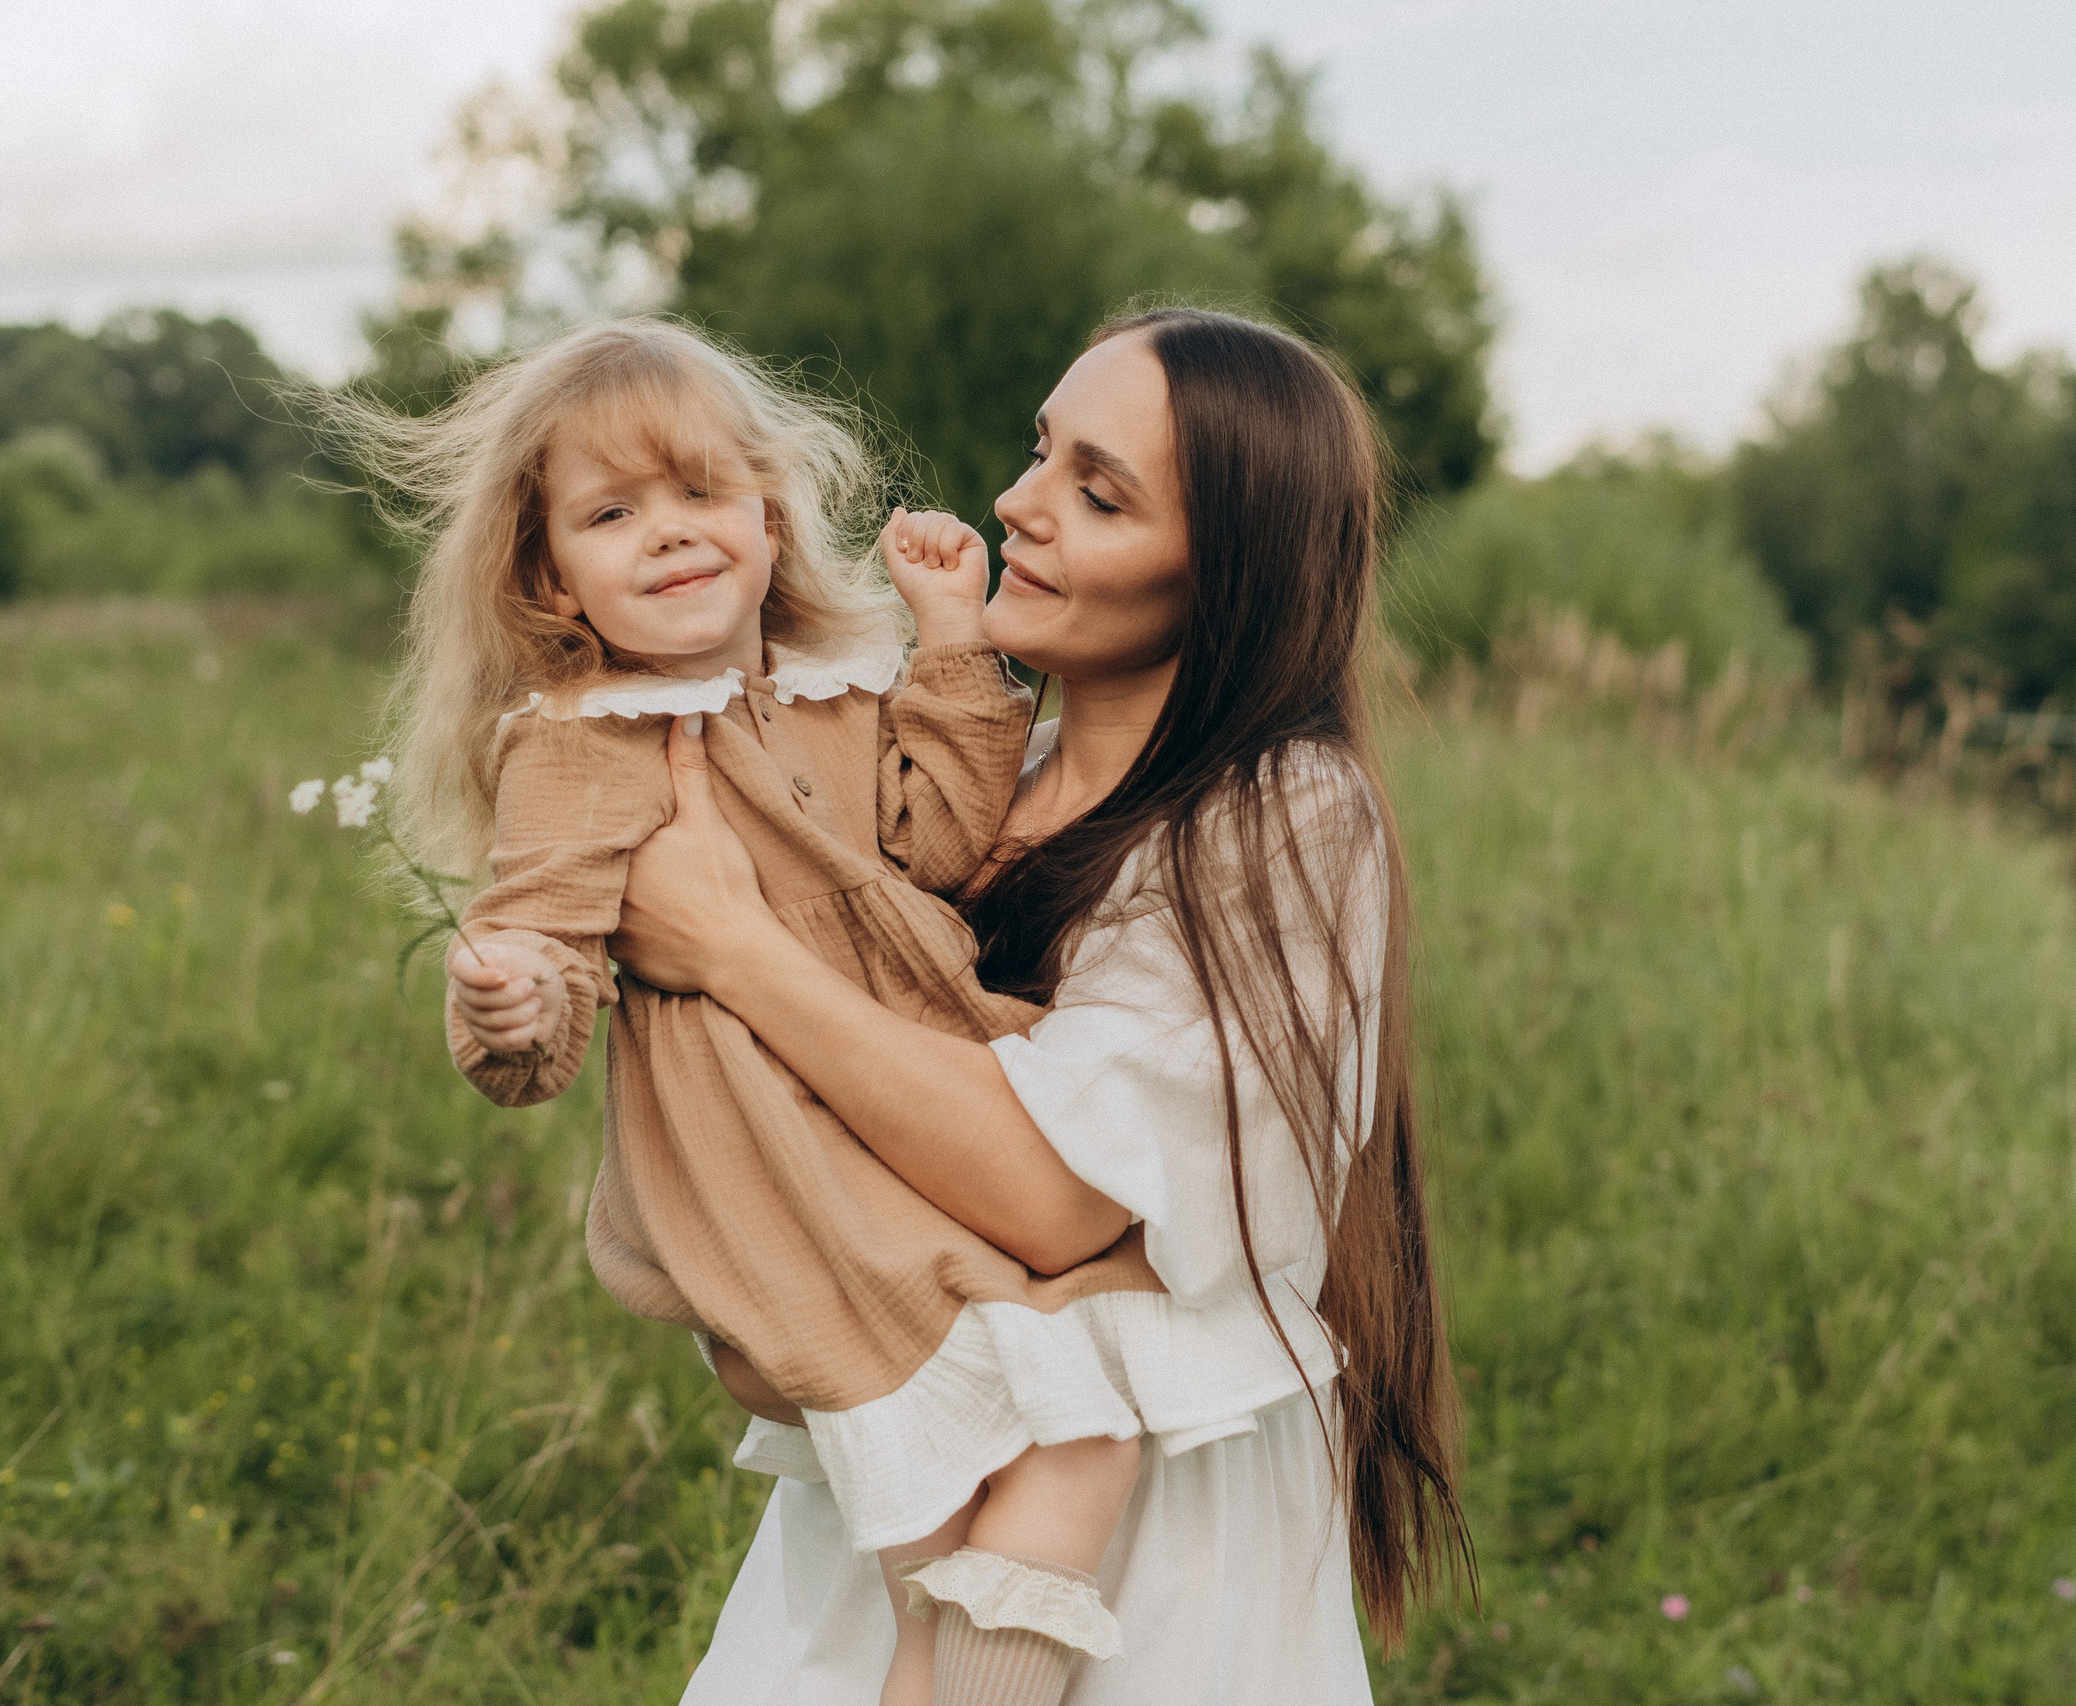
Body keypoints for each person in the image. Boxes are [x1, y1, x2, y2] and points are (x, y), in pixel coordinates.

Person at [612, 307, 1473, 1704]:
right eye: (1041, 451)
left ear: (1230, 575)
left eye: (1099, 490)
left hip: (1143, 1541)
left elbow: (1061, 1187)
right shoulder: (976, 784)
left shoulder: (1284, 819)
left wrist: (728, 945)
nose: (1020, 504)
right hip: (922, 1475)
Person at [356, 319, 1154, 1706]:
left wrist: (954, 638)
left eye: (701, 495)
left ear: (768, 518)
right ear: (548, 575)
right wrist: (510, 994)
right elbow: (541, 954)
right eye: (613, 514)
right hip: (787, 1193)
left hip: (920, 1132)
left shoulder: (839, 694)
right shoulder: (584, 743)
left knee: (1082, 1445)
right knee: (933, 1545)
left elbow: (944, 844)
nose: (668, 534)